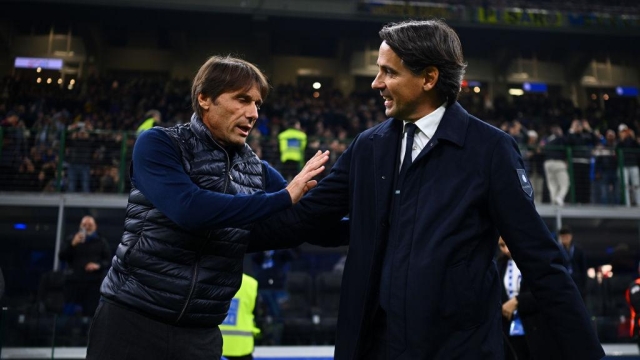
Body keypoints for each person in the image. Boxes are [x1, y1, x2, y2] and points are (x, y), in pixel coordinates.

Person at [250, 19, 604, 359]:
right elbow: (304, 219)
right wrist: (218, 231)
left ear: (429, 78)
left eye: (389, 72)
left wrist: (586, 354)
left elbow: (540, 260)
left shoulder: (489, 150)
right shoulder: (368, 147)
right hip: (374, 349)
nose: (376, 83)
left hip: (457, 352)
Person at [85, 55, 330, 360]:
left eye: (257, 104)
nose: (253, 113)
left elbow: (305, 220)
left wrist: (378, 221)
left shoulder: (259, 171)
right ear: (204, 99)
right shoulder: (160, 144)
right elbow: (189, 209)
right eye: (242, 99)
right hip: (131, 321)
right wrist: (282, 197)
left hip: (202, 334)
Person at [58, 215, 111, 317]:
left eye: (90, 224)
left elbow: (107, 261)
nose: (87, 227)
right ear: (80, 226)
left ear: (95, 226)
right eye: (84, 224)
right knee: (69, 313)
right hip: (73, 282)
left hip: (93, 283)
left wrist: (97, 265)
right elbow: (62, 257)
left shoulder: (101, 241)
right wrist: (72, 244)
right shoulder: (71, 239)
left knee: (91, 312)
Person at [220, 273, 260, 360]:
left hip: (214, 346)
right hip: (242, 348)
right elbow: (258, 315)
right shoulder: (251, 283)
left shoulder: (211, 279)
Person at [558, 225, 588, 298]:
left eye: (567, 237)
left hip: (577, 281)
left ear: (571, 237)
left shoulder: (578, 250)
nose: (565, 239)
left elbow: (583, 268)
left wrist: (584, 284)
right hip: (564, 280)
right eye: (563, 237)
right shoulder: (558, 250)